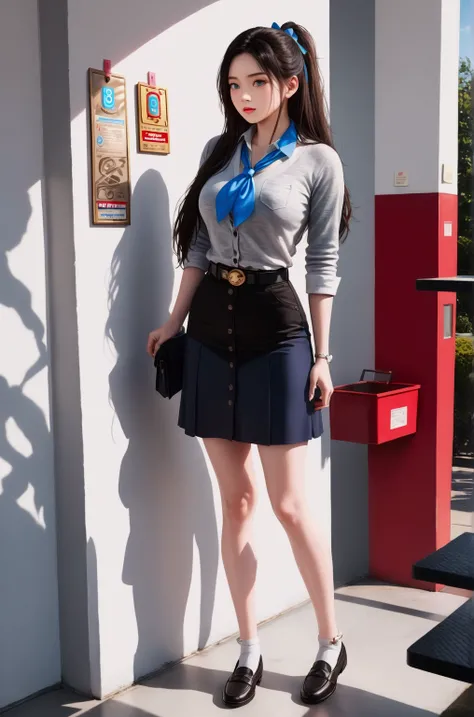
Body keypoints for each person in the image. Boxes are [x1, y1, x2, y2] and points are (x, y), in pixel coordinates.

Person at [147, 20, 351, 708]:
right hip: (210, 333)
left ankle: (329, 639)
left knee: (291, 505)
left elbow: (322, 264)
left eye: (256, 82)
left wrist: (323, 356)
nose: (243, 95)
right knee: (235, 501)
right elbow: (201, 244)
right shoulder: (219, 149)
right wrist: (174, 320)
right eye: (233, 84)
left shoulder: (318, 161)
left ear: (290, 84)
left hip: (279, 331)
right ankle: (249, 645)